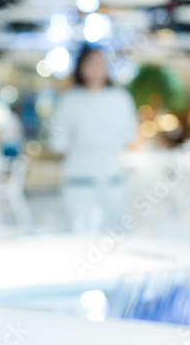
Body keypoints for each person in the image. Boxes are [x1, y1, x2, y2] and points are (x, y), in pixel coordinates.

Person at [48, 47, 138, 232]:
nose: (97, 69)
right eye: (92, 64)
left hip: (112, 179)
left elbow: (130, 134)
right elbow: (58, 140)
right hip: (79, 180)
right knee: (76, 232)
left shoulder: (120, 98)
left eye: (101, 64)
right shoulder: (69, 100)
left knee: (115, 233)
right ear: (81, 67)